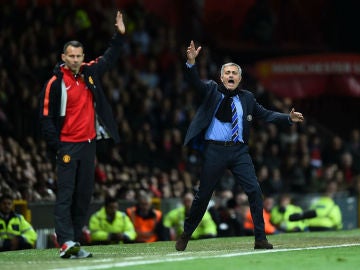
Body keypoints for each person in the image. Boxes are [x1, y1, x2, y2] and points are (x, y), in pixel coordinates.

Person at [175, 40, 304, 251]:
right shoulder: (210, 90)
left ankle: (260, 239)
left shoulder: (247, 98)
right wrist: (190, 63)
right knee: (203, 195)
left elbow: (266, 114)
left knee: (254, 191)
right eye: (228, 73)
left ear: (240, 78)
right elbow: (194, 83)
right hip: (215, 150)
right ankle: (186, 234)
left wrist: (287, 118)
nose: (231, 76)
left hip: (239, 151)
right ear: (221, 77)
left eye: (235, 73)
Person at [39, 11, 126, 259]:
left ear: (82, 57)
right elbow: (45, 118)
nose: (75, 60)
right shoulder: (55, 83)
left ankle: (74, 241)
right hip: (67, 146)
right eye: (71, 56)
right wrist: (58, 147)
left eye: (79, 56)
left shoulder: (89, 73)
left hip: (89, 146)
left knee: (84, 196)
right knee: (66, 194)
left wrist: (118, 35)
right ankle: (65, 241)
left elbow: (108, 59)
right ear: (63, 57)